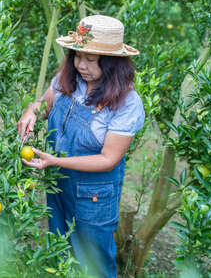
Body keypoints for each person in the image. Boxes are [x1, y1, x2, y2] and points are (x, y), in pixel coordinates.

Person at [17, 15, 145, 278]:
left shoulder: (127, 103)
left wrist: (55, 161)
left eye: (90, 59)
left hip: (93, 197)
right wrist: (31, 111)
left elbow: (108, 159)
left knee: (94, 265)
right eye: (77, 56)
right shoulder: (69, 81)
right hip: (58, 185)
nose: (80, 65)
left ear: (111, 64)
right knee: (59, 256)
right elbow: (43, 103)